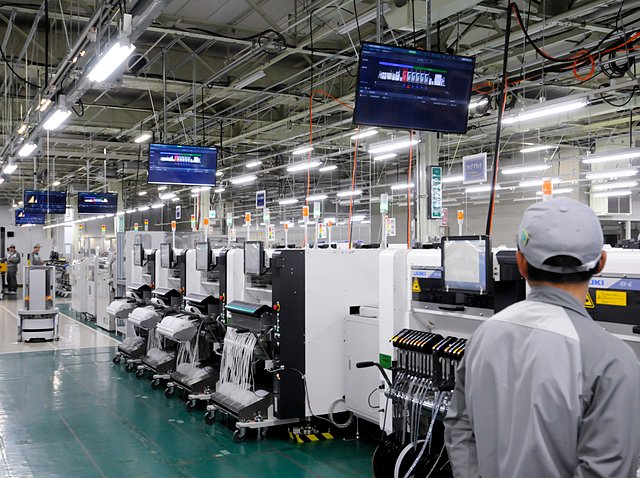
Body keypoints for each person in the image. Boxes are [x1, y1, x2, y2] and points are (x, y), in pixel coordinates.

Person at [444, 198, 640, 478]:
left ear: (521, 263)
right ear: (601, 263)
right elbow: (608, 470)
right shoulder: (613, 360)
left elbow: (459, 427)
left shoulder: (483, 336)